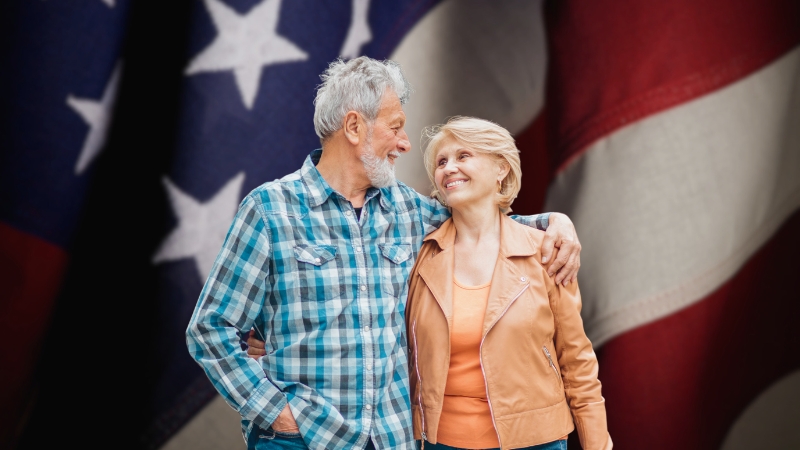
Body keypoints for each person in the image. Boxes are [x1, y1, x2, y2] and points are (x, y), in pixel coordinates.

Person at [186, 56, 583, 450]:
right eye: (396, 128)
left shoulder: (409, 210)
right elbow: (210, 329)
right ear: (355, 127)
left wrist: (554, 223)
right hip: (302, 439)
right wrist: (275, 412)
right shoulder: (270, 210)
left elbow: (483, 221)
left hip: (392, 438)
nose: (405, 144)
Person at [404, 117, 611, 450]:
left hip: (535, 441)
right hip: (440, 442)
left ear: (500, 168)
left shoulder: (545, 252)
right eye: (442, 162)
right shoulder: (420, 256)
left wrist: (597, 445)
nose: (449, 168)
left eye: (463, 156)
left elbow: (577, 362)